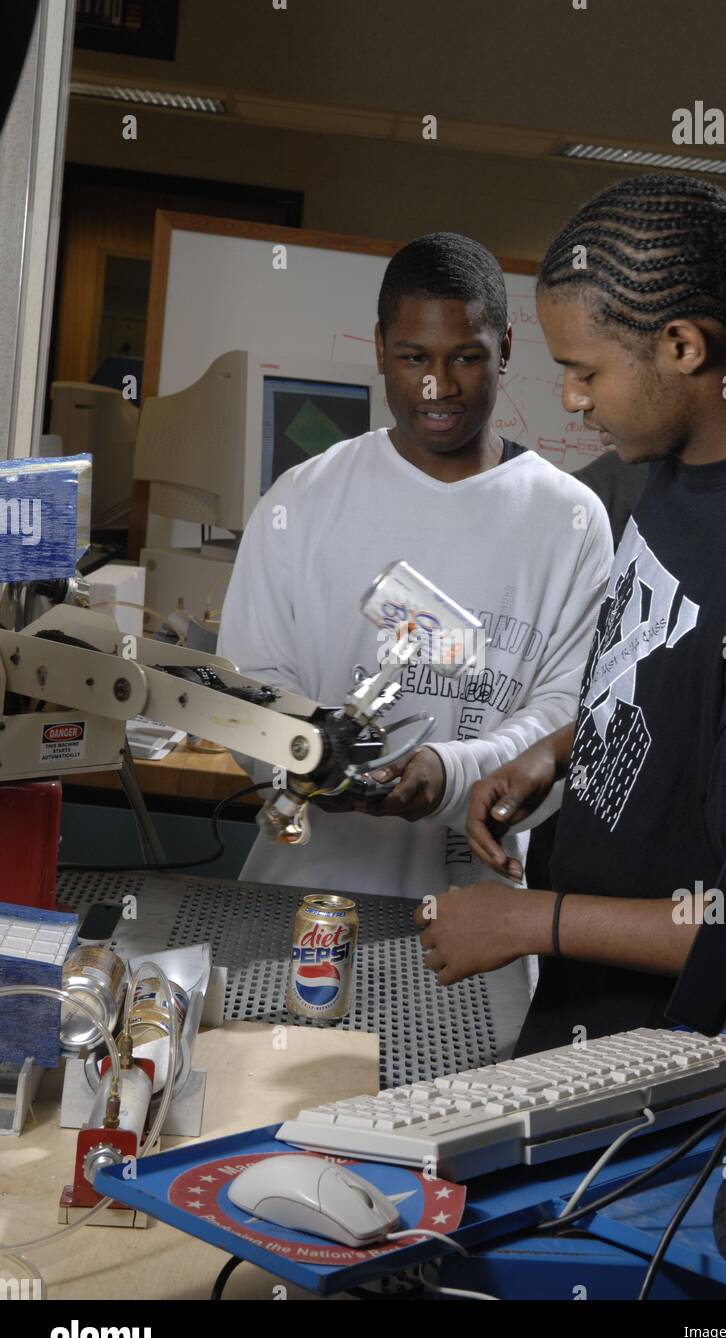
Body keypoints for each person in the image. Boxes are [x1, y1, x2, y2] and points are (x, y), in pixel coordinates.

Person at [415, 175, 726, 1052]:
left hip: (677, 1075)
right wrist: (558, 751)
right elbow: (676, 671)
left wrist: (530, 923)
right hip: (588, 1008)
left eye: (584, 372)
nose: (573, 400)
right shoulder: (692, 451)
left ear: (683, 346)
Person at [218, 232, 613, 1043]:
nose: (437, 385)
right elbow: (244, 682)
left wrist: (449, 771)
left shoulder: (568, 521)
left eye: (465, 356)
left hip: (473, 943)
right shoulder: (305, 499)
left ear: (504, 348)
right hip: (300, 919)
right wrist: (323, 762)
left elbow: (569, 718)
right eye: (412, 357)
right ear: (379, 351)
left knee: (451, 1158)